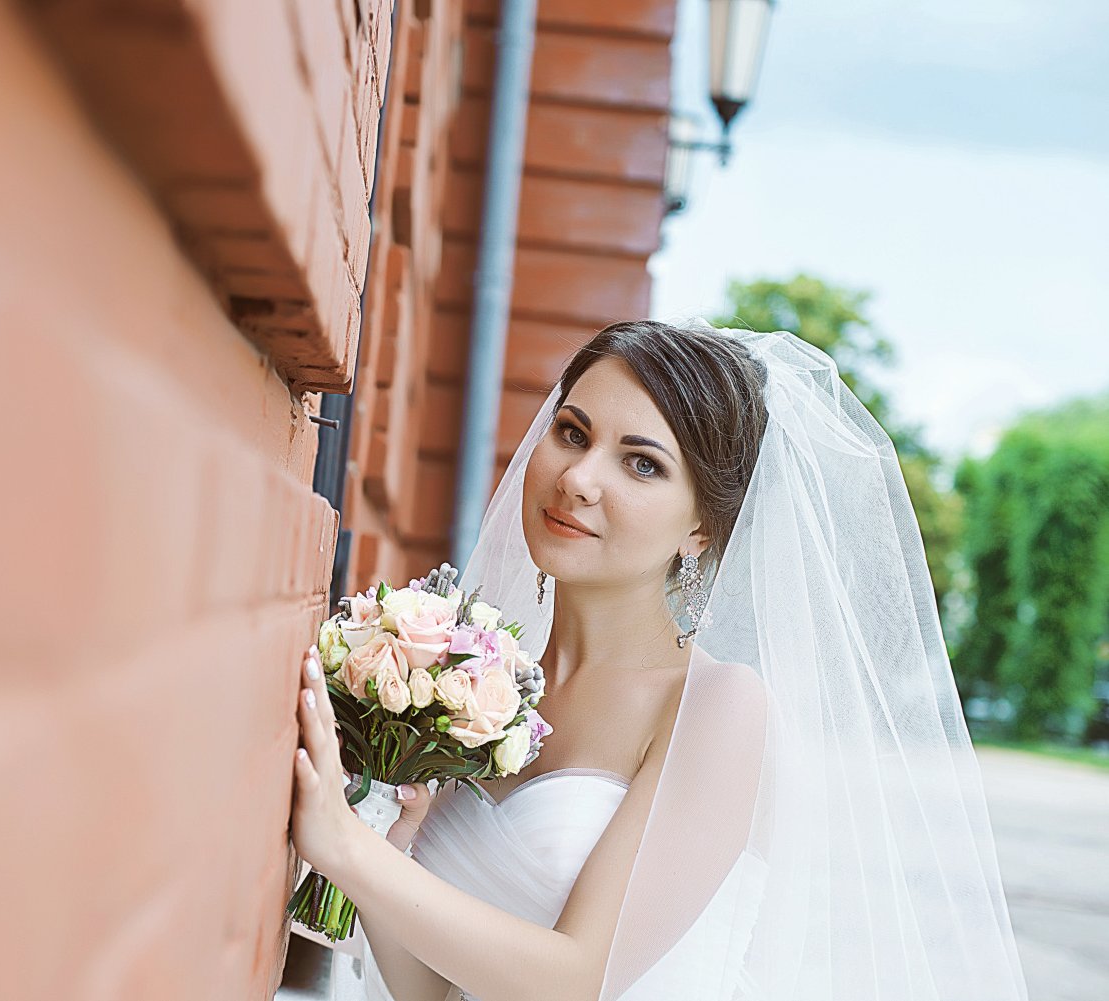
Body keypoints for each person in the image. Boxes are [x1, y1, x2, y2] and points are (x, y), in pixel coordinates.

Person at [290, 318, 1030, 1001]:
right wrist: (396, 836)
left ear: (701, 529)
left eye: (641, 464)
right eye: (572, 433)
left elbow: (580, 977)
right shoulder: (481, 692)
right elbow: (429, 990)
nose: (579, 478)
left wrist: (349, 848)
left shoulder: (718, 706)